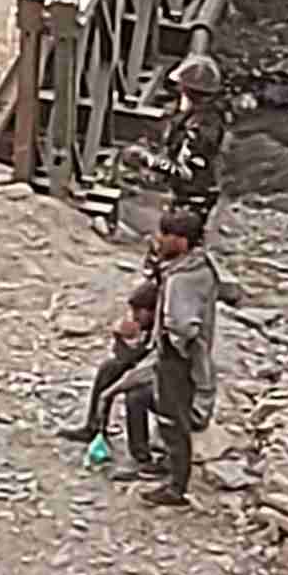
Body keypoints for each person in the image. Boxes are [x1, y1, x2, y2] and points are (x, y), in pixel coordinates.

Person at [120, 206, 219, 508]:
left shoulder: (186, 279)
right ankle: (156, 465)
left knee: (173, 421)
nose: (159, 239)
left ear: (183, 241)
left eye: (167, 235)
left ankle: (176, 486)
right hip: (176, 357)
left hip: (180, 361)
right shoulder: (187, 269)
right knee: (146, 401)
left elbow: (184, 323)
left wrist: (175, 344)